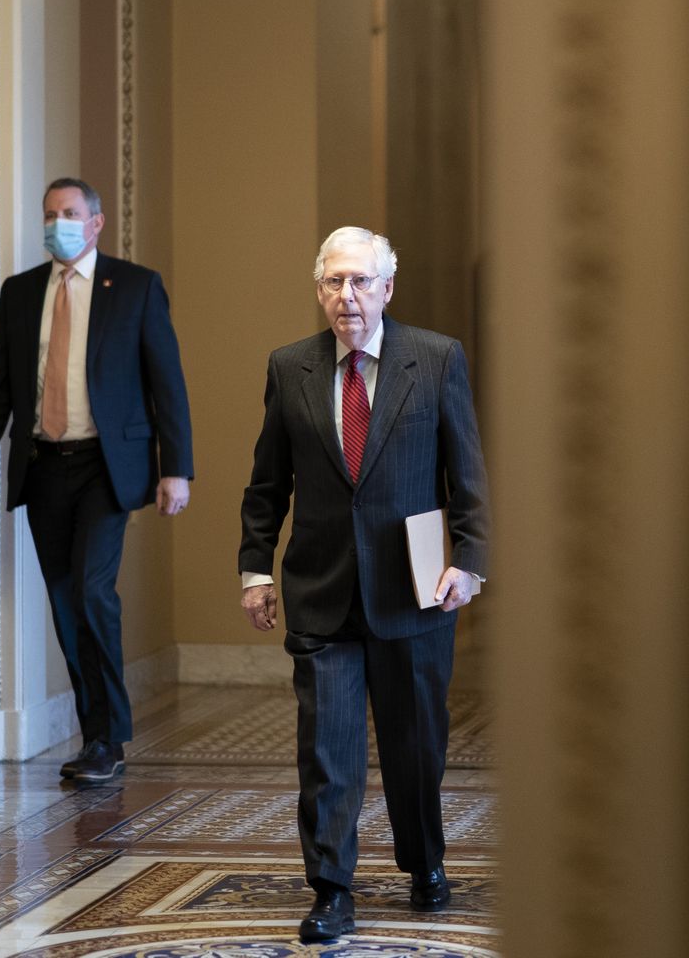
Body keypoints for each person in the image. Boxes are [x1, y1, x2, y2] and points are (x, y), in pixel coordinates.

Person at [237, 226, 490, 942]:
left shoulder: (436, 360)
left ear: (386, 288)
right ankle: (331, 890)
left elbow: (467, 474)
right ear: (319, 289)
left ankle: (424, 864)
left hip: (415, 593)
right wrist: (256, 569)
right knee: (327, 751)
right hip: (322, 594)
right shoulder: (291, 368)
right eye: (333, 282)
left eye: (360, 281)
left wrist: (469, 562)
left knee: (416, 750)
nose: (346, 296)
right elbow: (267, 485)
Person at [0, 177, 194, 783]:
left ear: (95, 222)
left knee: (92, 590)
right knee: (65, 601)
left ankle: (110, 736)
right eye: (49, 214)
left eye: (68, 213)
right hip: (44, 467)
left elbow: (167, 382)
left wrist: (177, 470)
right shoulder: (19, 294)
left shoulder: (135, 287)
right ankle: (96, 739)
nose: (56, 223)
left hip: (107, 468)